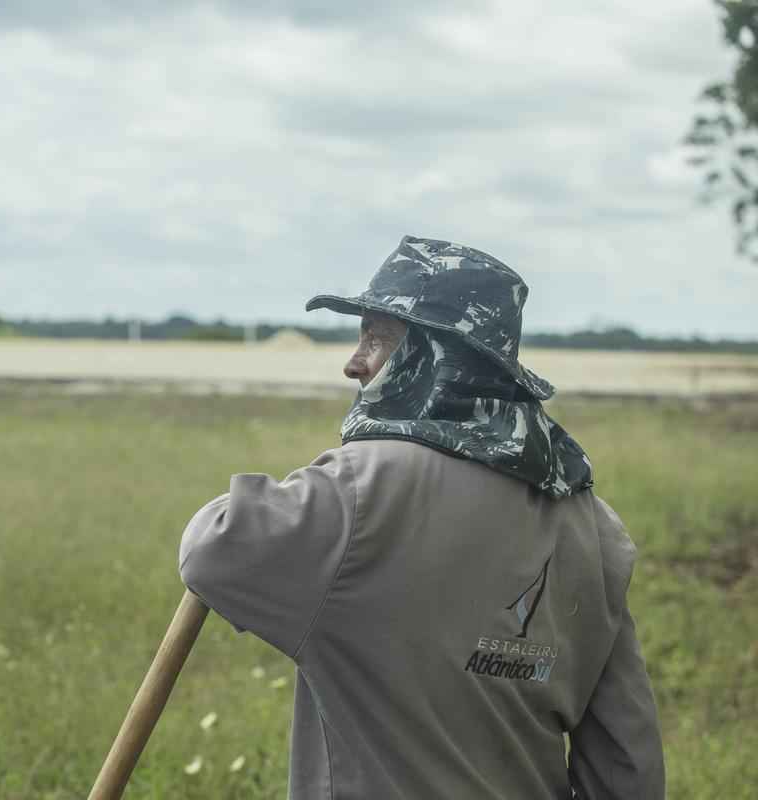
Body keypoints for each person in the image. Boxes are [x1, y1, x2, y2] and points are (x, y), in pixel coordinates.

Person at [178, 236, 664, 799]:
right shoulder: (596, 528)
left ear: (439, 357)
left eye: (378, 338)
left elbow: (211, 548)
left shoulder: (360, 492)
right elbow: (626, 764)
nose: (353, 363)